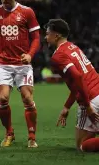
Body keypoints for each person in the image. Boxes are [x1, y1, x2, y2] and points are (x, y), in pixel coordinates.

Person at [0, 0, 40, 148]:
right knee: (2, 98)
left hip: (22, 64)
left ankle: (31, 136)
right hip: (3, 63)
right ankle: (9, 133)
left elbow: (36, 38)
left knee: (27, 98)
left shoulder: (27, 12)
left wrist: (30, 55)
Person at [44, 18, 99, 152]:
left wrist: (87, 106)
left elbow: (78, 77)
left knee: (82, 146)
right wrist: (67, 106)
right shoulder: (73, 47)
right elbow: (77, 83)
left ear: (56, 35)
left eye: (47, 33)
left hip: (91, 99)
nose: (45, 37)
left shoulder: (58, 56)